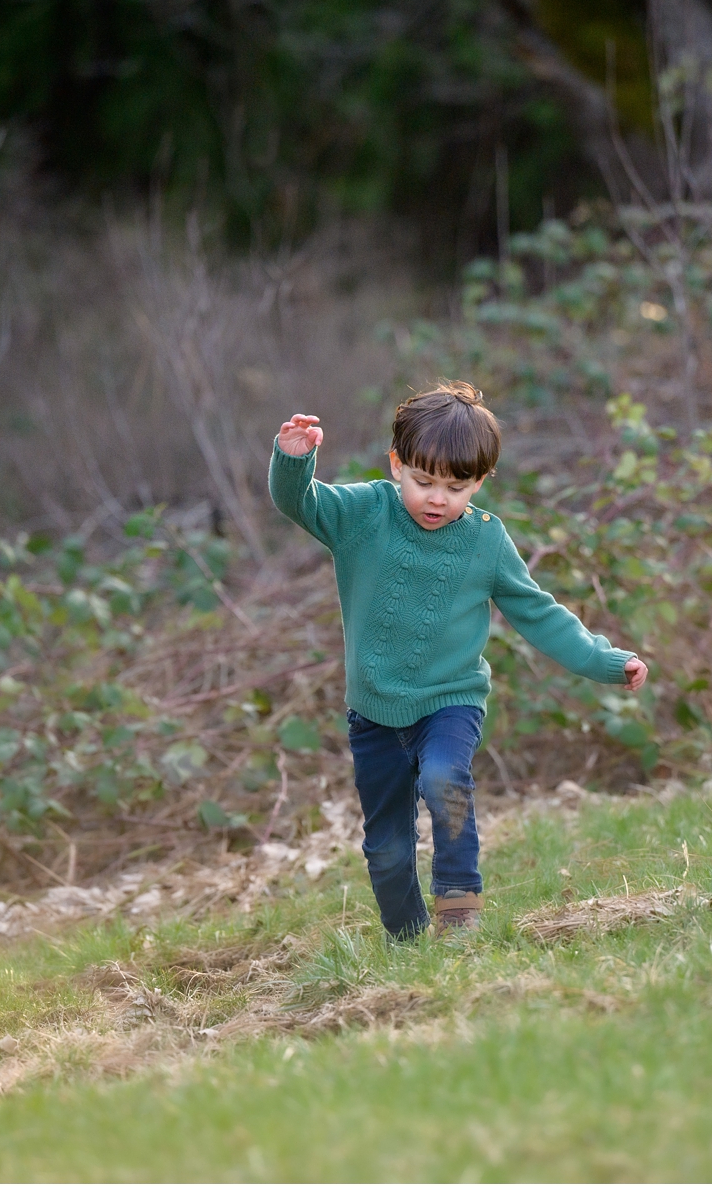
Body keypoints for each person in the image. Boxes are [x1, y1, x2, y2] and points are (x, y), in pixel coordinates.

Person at [268, 382, 648, 940]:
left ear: (481, 481)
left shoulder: (486, 543)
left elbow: (538, 613)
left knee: (446, 779)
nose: (437, 499)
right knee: (388, 847)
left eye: (456, 487)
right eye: (423, 482)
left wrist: (607, 661)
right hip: (373, 713)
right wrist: (294, 461)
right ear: (396, 463)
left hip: (450, 701)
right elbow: (300, 502)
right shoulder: (363, 514)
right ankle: (408, 939)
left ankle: (459, 914)